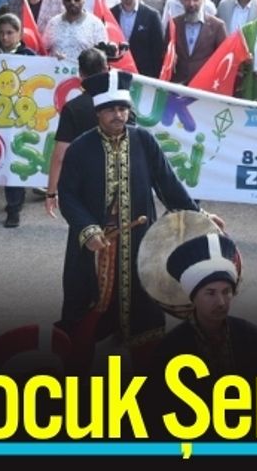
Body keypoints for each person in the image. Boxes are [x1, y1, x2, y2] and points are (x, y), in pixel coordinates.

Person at [57, 70, 219, 367]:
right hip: (95, 250)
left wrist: (200, 217)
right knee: (87, 311)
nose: (118, 115)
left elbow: (169, 185)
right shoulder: (80, 148)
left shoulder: (143, 140)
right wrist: (87, 229)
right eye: (110, 110)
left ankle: (146, 379)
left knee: (143, 314)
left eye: (122, 109)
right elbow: (67, 195)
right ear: (98, 113)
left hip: (139, 246)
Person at [154, 232, 257, 377]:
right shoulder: (170, 349)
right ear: (193, 298)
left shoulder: (254, 339)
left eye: (226, 292)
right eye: (210, 293)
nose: (221, 302)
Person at [44, 48, 108, 219]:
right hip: (120, 182)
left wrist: (51, 192)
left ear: (80, 73)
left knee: (84, 230)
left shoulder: (73, 108)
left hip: (85, 185)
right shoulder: (123, 106)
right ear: (106, 69)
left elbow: (60, 155)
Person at [0, 13, 36, 228]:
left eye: (10, 33)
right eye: (1, 33)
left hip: (23, 117)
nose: (5, 37)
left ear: (19, 34)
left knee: (16, 157)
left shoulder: (29, 56)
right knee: (5, 159)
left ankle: (14, 207)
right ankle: (14, 202)